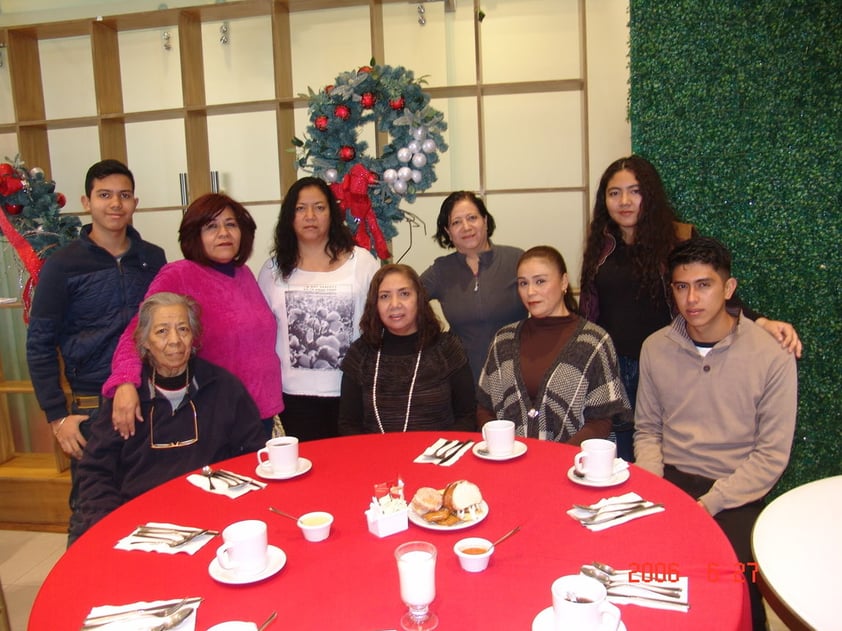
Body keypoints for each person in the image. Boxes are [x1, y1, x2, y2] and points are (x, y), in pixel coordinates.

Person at [579, 155, 802, 460]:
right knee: (620, 451)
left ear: (650, 195)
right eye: (614, 193)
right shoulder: (599, 246)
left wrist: (761, 322)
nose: (625, 201)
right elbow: (589, 308)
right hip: (612, 366)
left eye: (635, 191)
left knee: (663, 445)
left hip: (665, 360)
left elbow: (712, 288)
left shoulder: (677, 238)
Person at [634, 237, 797, 631]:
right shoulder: (656, 347)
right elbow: (647, 429)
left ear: (728, 288)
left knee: (736, 580)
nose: (692, 298)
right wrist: (654, 487)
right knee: (638, 572)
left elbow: (771, 456)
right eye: (681, 286)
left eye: (704, 285)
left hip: (735, 492)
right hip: (669, 480)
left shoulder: (771, 355)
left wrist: (709, 504)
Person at [26, 159, 166, 541]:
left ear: (135, 202)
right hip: (90, 406)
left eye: (123, 196)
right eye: (105, 195)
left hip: (147, 399)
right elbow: (39, 344)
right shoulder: (63, 265)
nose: (115, 204)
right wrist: (57, 417)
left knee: (152, 510)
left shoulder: (152, 258)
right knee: (93, 514)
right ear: (87, 202)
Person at [70, 293, 265, 543]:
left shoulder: (224, 388)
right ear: (144, 341)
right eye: (162, 331)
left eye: (183, 329)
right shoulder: (126, 399)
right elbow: (95, 471)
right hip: (140, 522)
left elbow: (253, 453)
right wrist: (113, 523)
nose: (174, 341)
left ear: (194, 336)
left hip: (214, 516)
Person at [103, 193, 283, 439]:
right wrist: (124, 382)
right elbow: (138, 331)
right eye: (211, 226)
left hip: (260, 411)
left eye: (231, 224)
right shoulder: (179, 275)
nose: (224, 233)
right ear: (195, 235)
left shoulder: (244, 274)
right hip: (215, 415)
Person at [258, 177, 379, 441]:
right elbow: (262, 334)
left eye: (319, 207)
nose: (310, 216)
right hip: (293, 398)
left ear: (332, 213)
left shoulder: (362, 263)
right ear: (289, 216)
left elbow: (378, 325)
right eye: (301, 208)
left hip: (352, 392)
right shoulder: (272, 270)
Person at [478, 246, 631, 445]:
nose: (530, 292)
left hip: (571, 466)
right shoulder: (503, 340)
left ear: (564, 282)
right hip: (508, 463)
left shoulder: (593, 341)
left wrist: (556, 459)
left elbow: (602, 418)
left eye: (540, 281)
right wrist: (499, 445)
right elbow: (484, 407)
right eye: (523, 283)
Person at [338, 264, 476, 434]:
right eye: (385, 296)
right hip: (374, 457)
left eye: (404, 294)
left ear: (419, 299)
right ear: (375, 304)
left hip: (438, 456)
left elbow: (467, 417)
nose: (395, 304)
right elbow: (348, 424)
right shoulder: (360, 354)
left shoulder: (448, 348)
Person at [420, 191, 526, 385]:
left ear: (485, 220)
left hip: (516, 376)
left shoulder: (516, 260)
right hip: (462, 378)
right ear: (447, 231)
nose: (466, 227)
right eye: (456, 222)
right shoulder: (441, 270)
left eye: (472, 218)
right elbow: (407, 301)